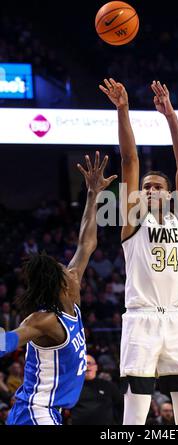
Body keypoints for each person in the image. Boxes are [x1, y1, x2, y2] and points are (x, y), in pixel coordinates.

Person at [99, 78, 178, 425]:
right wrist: (123, 110)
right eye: (146, 187)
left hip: (176, 318)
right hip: (141, 318)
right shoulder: (131, 221)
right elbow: (129, 158)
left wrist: (170, 115)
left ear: (169, 195)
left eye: (158, 186)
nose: (151, 189)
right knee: (135, 414)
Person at [0, 152, 117, 425]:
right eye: (67, 272)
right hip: (35, 411)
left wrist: (93, 194)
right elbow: (7, 343)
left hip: (48, 412)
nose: (74, 271)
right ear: (61, 286)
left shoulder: (71, 292)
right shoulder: (44, 320)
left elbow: (86, 244)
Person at [71, 354, 122, 425]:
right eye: (83, 364)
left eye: (89, 363)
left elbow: (121, 405)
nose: (86, 366)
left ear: (96, 367)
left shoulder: (108, 386)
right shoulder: (72, 387)